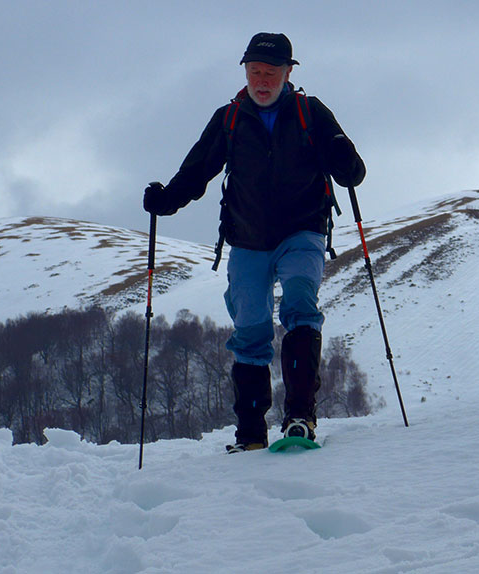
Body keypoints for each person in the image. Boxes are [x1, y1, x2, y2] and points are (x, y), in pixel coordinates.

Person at [143, 32, 365, 452]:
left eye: (270, 72)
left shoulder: (309, 112)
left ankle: (300, 417)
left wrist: (345, 159)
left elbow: (351, 170)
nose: (262, 80)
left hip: (303, 229)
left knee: (300, 302)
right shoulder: (229, 118)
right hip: (246, 238)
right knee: (250, 327)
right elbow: (196, 171)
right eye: (254, 72)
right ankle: (250, 433)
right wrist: (166, 200)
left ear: (288, 73)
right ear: (245, 72)